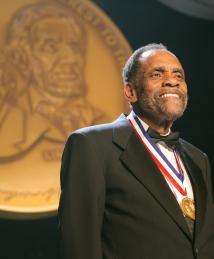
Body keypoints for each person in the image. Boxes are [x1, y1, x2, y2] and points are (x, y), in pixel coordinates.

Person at [58, 43, 214, 259]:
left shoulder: (199, 158)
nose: (172, 80)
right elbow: (80, 245)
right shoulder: (92, 145)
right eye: (157, 74)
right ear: (130, 91)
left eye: (179, 75)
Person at [0, 2, 105, 159]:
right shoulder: (8, 124)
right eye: (51, 47)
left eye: (75, 46)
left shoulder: (106, 121)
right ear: (22, 59)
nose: (71, 58)